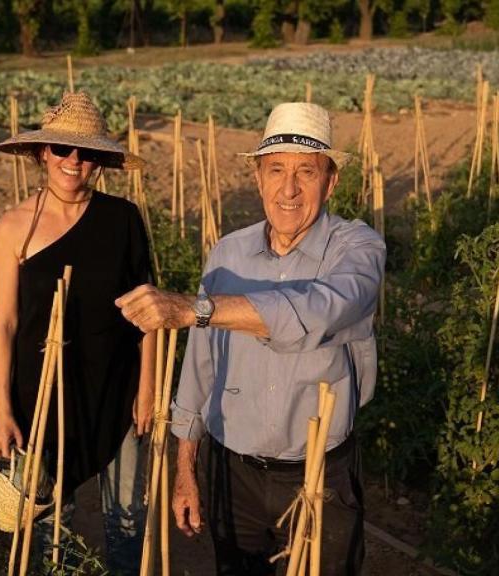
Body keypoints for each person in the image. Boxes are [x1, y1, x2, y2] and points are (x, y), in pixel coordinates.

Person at [115, 102, 385, 575]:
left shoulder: (357, 249)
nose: (289, 188)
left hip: (318, 473)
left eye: (307, 170)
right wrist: (185, 471)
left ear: (332, 181)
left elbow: (321, 309)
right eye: (276, 169)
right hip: (232, 471)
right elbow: (200, 368)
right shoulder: (229, 254)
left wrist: (196, 309)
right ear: (257, 177)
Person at [0, 91, 155, 574]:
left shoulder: (123, 219)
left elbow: (149, 311)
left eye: (86, 153)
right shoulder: (13, 227)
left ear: (99, 161)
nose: (73, 161)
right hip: (42, 394)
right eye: (62, 149)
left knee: (125, 518)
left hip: (117, 389)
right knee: (50, 520)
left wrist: (147, 389)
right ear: (42, 153)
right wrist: (1, 411)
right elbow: (5, 323)